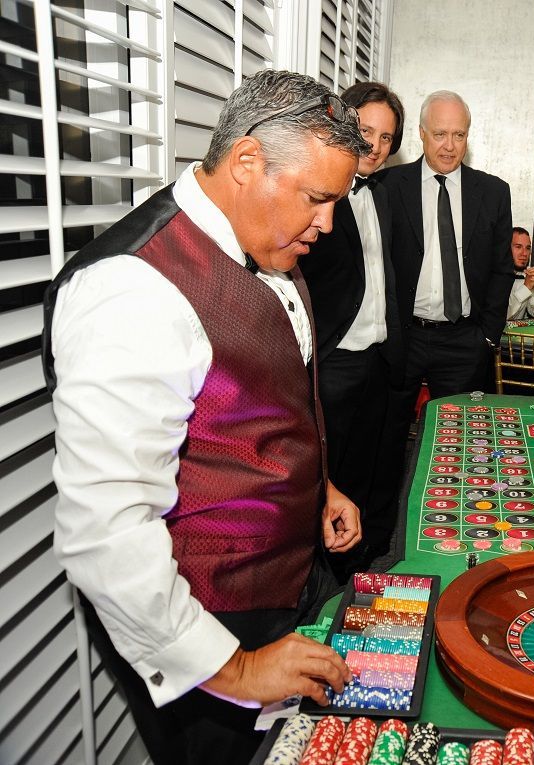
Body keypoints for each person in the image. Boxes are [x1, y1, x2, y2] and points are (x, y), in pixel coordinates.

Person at [44, 70, 367, 765]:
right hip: (212, 626)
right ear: (248, 162)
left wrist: (321, 485)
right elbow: (106, 532)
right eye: (317, 198)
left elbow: (269, 396)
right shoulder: (131, 289)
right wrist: (240, 670)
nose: (329, 223)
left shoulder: (266, 237)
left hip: (290, 579)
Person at [299, 81, 404, 569]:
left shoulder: (381, 196)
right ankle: (317, 576)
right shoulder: (315, 194)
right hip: (333, 359)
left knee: (365, 472)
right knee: (323, 477)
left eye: (386, 138)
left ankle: (352, 569)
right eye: (366, 132)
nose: (376, 147)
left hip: (377, 361)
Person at [380, 90, 513, 446]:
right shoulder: (389, 187)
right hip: (403, 336)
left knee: (457, 443)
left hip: (465, 340)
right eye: (440, 134)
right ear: (421, 133)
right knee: (388, 437)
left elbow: (503, 269)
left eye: (459, 135)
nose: (450, 145)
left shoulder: (494, 192)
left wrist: (487, 336)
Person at [507, 226, 534, 320]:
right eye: (518, 247)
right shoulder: (492, 275)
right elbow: (501, 317)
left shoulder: (527, 276)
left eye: (528, 248)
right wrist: (526, 288)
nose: (524, 253)